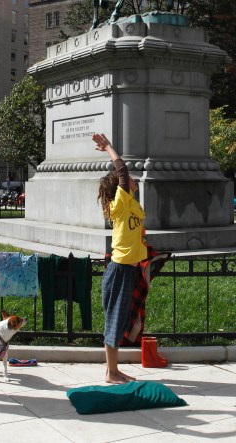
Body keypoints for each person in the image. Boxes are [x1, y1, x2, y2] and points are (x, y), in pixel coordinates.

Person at [93, 132, 146, 384]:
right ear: (120, 189)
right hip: (121, 270)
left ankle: (112, 370)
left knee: (119, 319)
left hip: (128, 268)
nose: (134, 180)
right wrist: (109, 148)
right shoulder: (121, 203)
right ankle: (112, 372)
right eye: (129, 181)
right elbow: (123, 171)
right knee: (115, 320)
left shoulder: (131, 205)